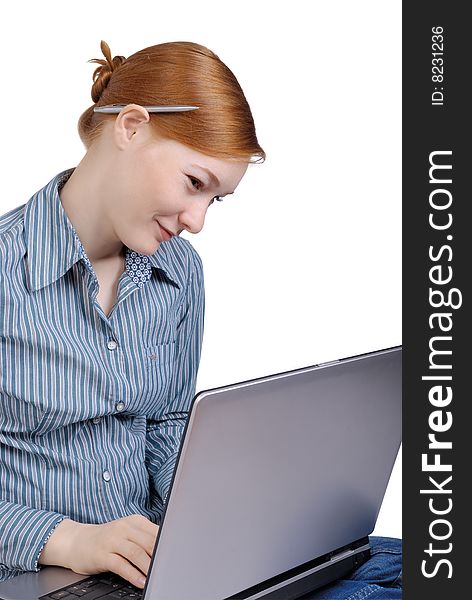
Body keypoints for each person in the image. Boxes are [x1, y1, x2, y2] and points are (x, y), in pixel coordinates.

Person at [0, 40, 401, 598]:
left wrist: (225, 526)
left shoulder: (179, 273)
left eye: (216, 200)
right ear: (131, 127)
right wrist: (65, 540)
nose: (197, 221)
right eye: (195, 184)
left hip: (155, 571)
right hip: (46, 579)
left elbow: (166, 426)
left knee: (417, 562)